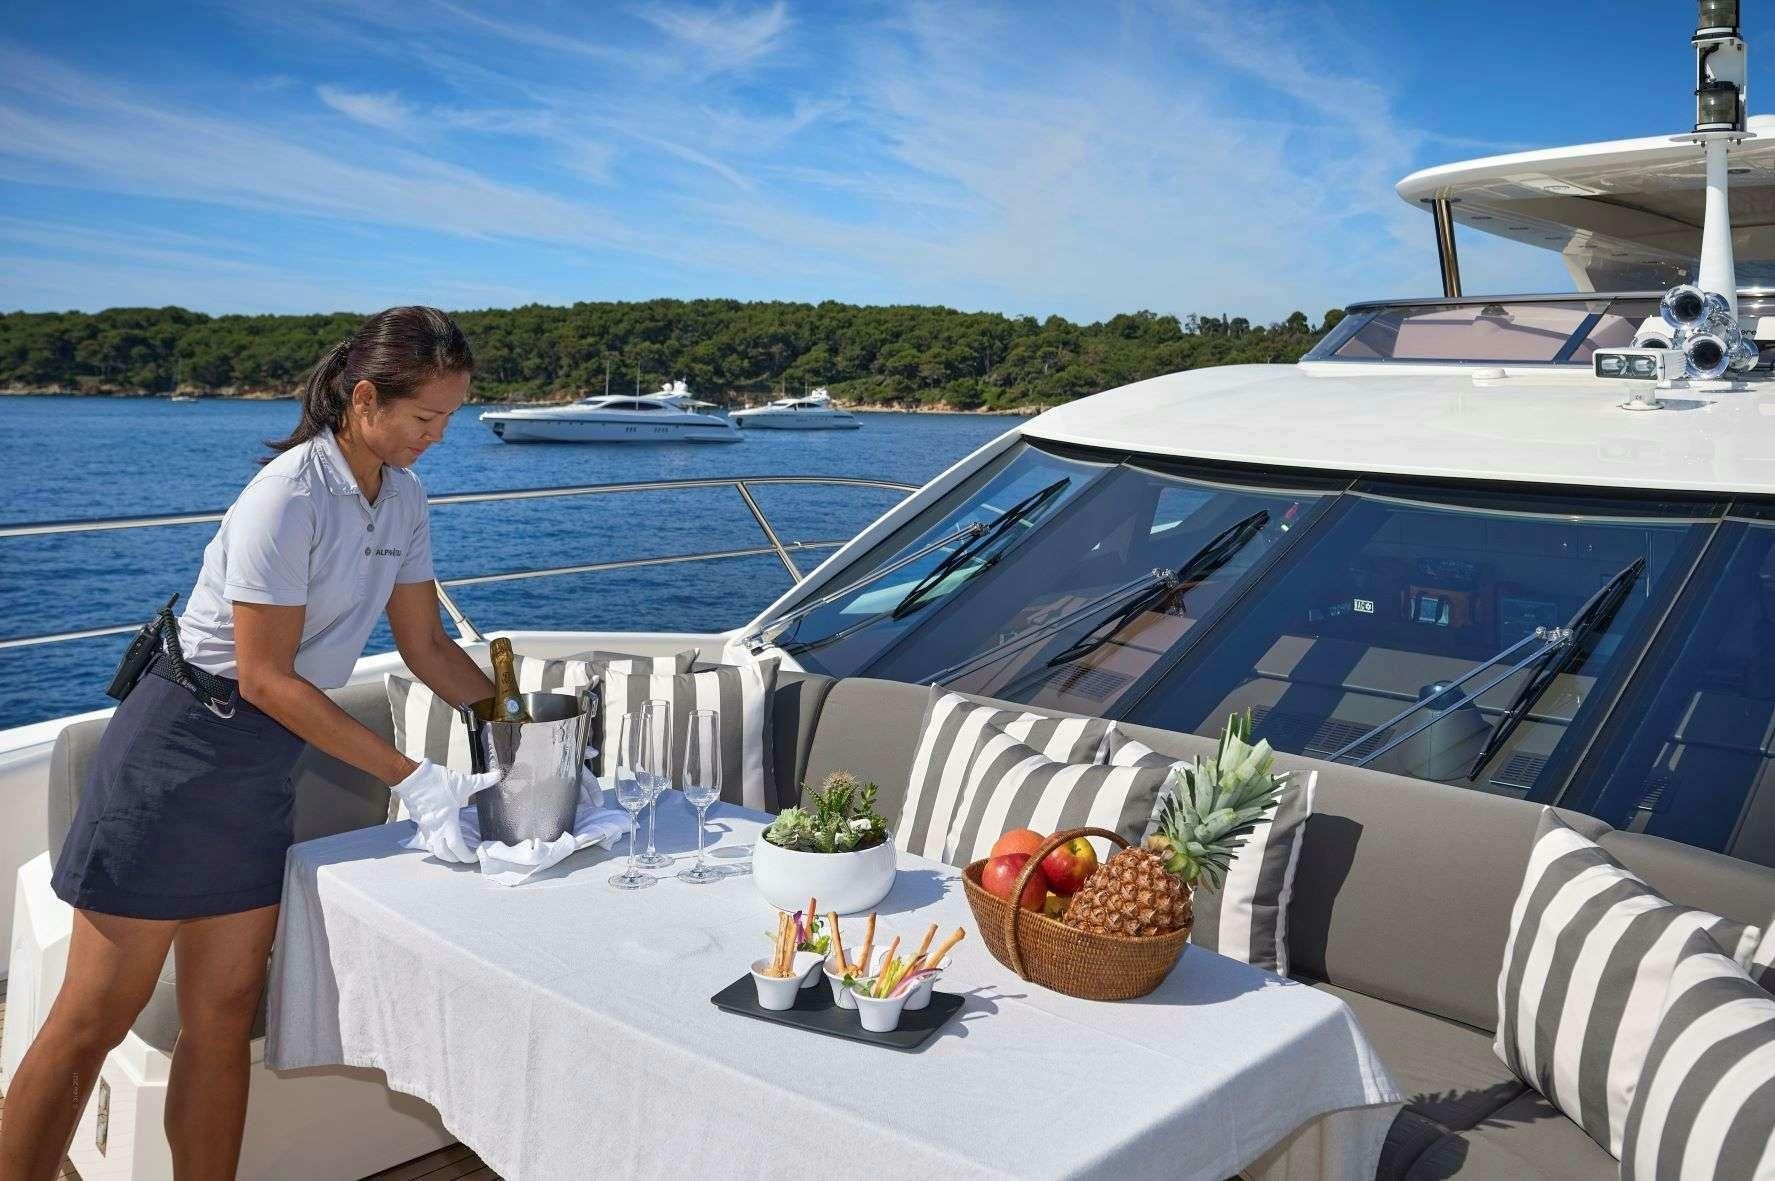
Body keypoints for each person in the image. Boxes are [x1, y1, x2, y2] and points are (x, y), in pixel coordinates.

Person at [0, 307, 501, 1181]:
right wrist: (413, 777)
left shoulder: (406, 496)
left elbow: (424, 645)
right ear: (368, 397)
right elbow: (266, 676)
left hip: (262, 768)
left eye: (451, 418)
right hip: (179, 755)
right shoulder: (288, 495)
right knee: (91, 1021)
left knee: (224, 1018)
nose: (438, 437)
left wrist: (523, 721)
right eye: (426, 418)